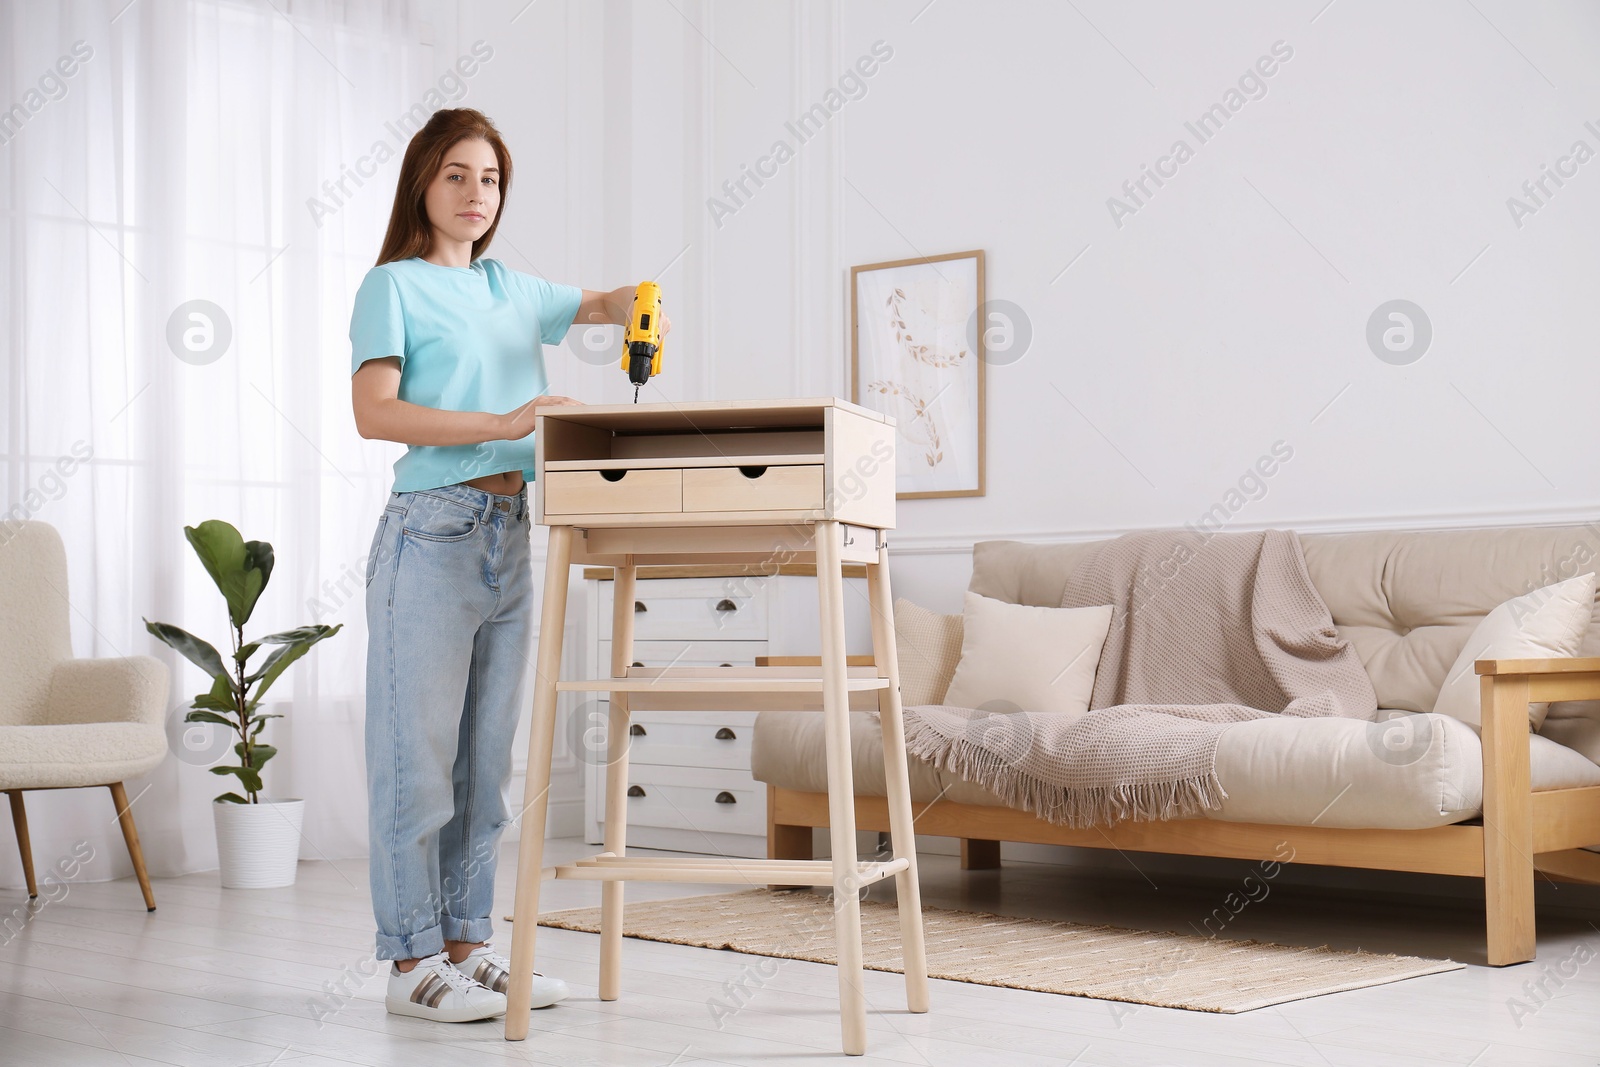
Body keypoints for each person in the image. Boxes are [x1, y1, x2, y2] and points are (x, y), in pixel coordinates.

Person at [348, 107, 665, 1023]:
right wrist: (504, 422)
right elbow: (375, 412)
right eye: (457, 175)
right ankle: (410, 961)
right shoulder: (393, 286)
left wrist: (639, 301)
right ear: (422, 182)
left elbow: (601, 304)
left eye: (489, 179)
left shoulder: (512, 290)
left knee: (485, 768)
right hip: (429, 535)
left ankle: (467, 944)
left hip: (510, 533)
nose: (475, 194)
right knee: (415, 764)